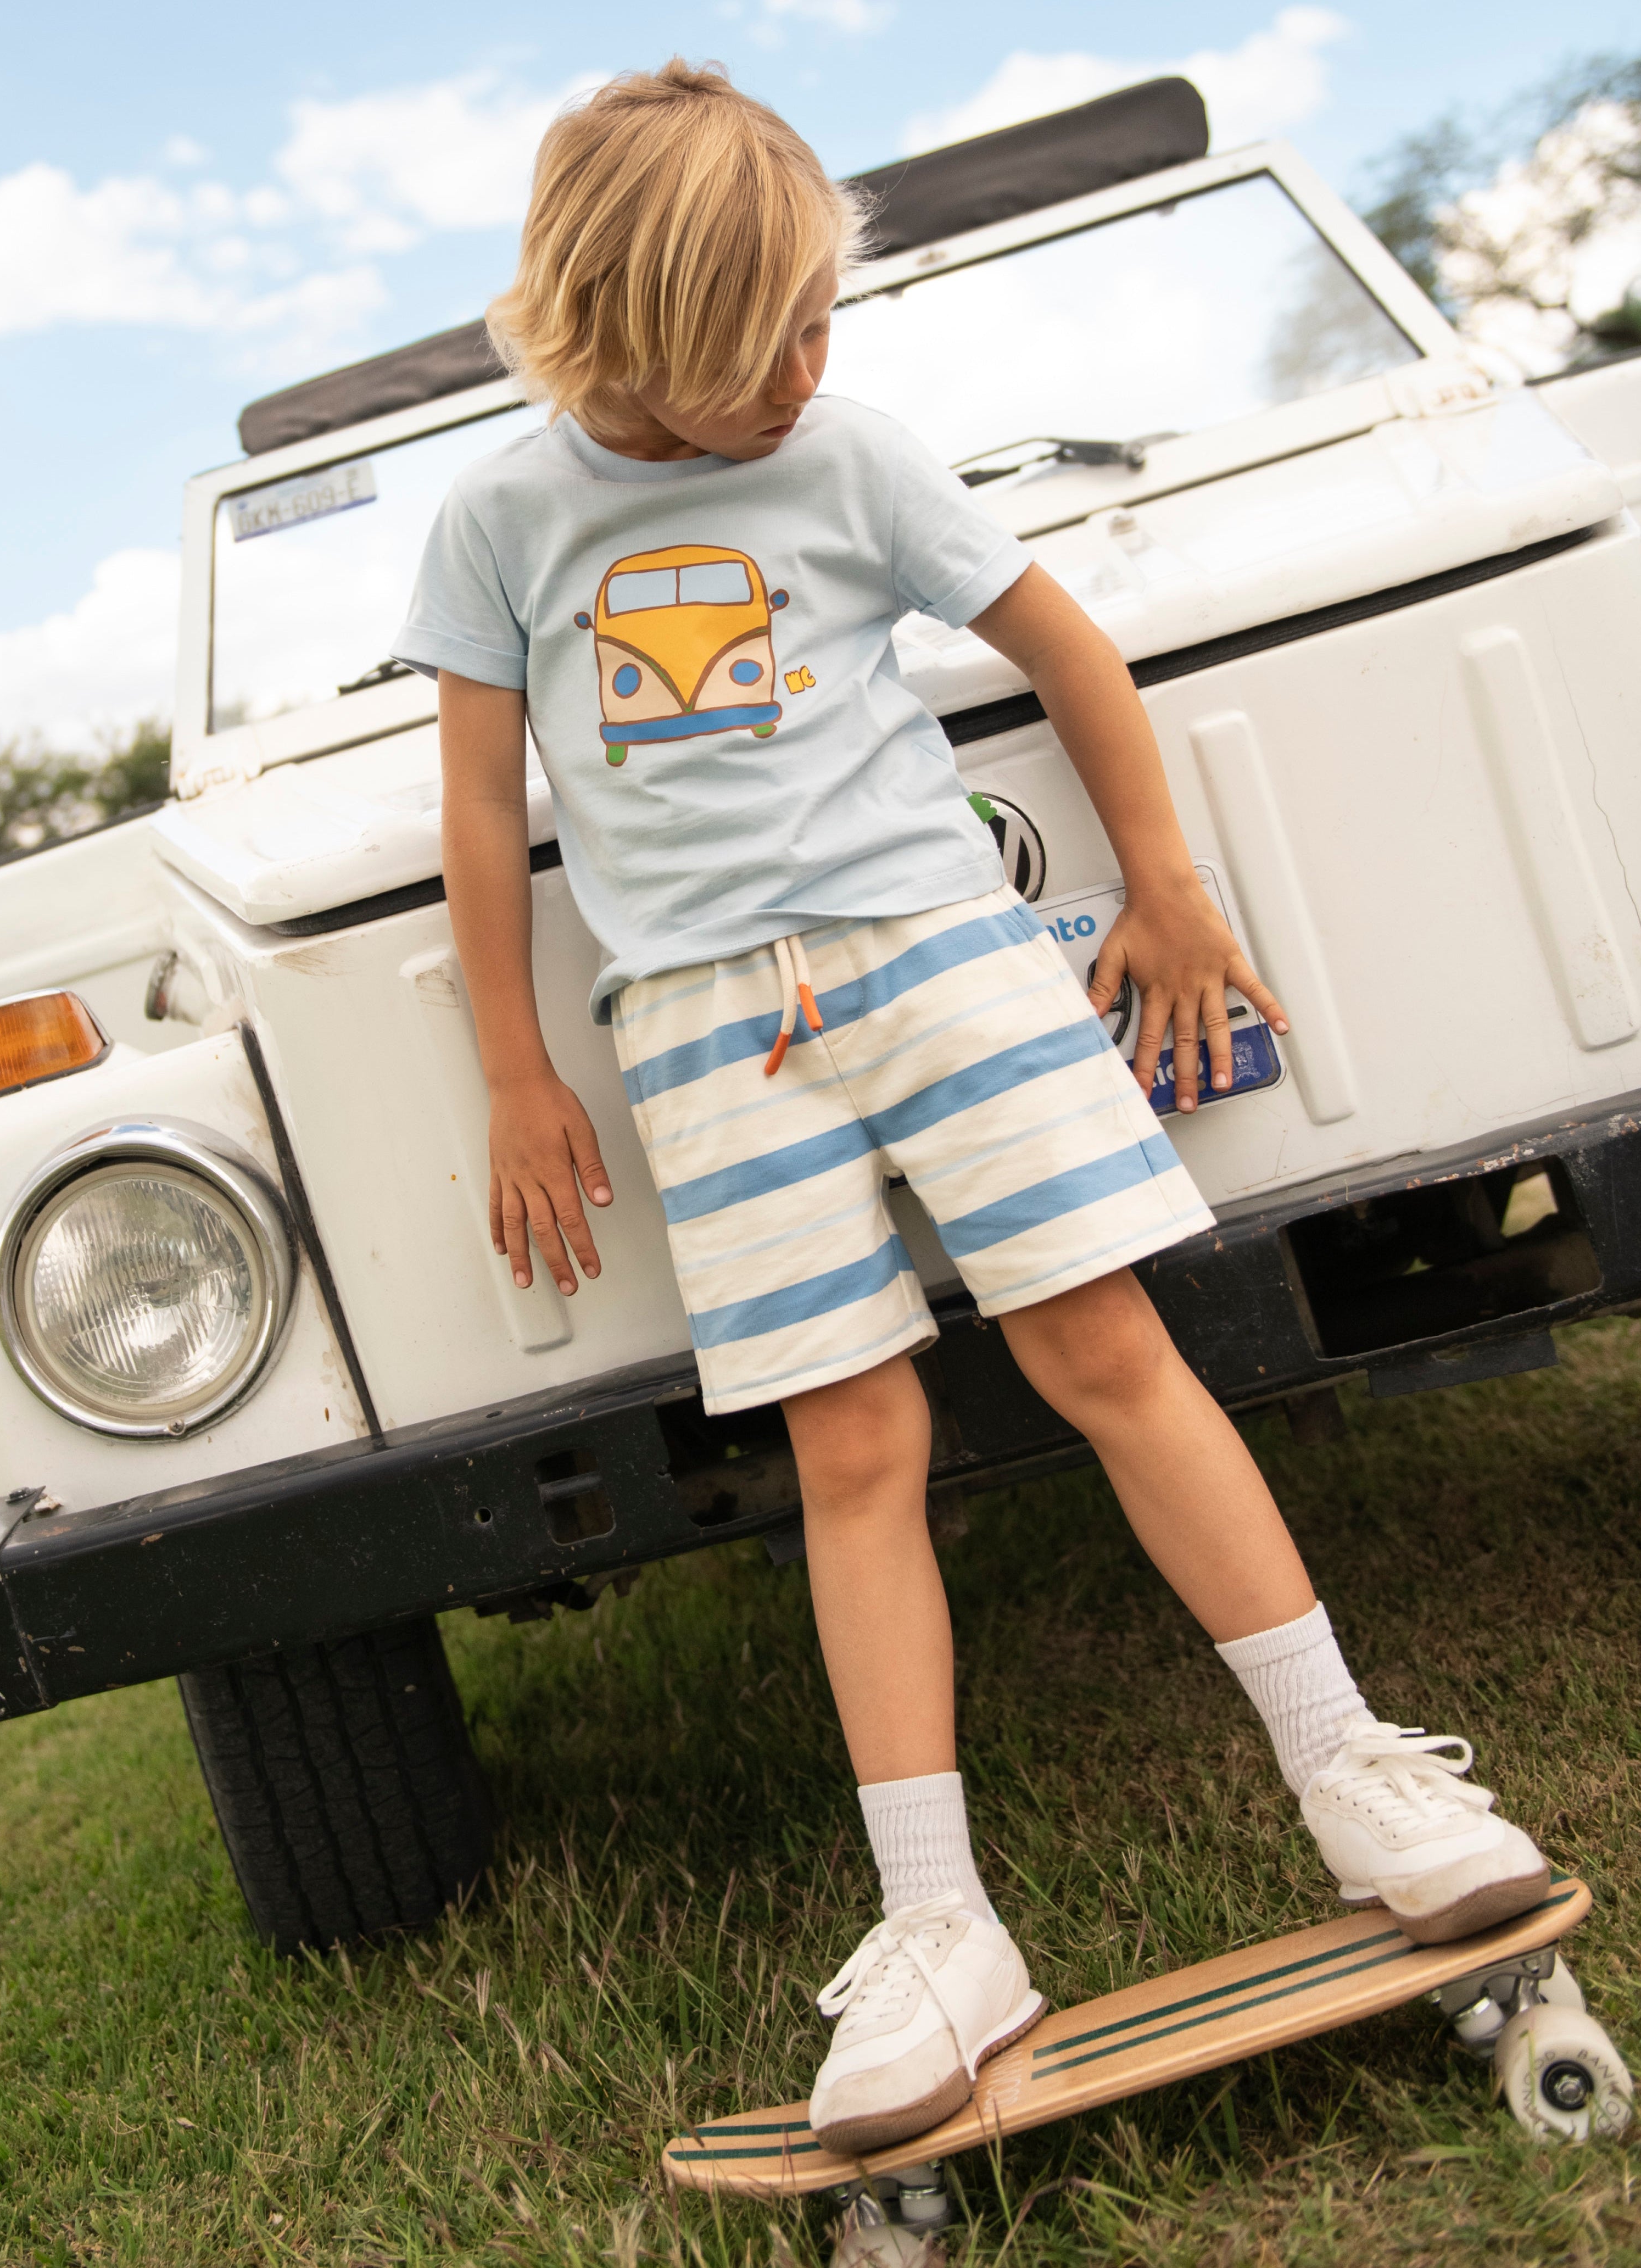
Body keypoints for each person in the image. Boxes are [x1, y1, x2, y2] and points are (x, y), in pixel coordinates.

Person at [390, 59, 1551, 2156]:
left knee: (1107, 1345)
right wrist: (513, 1065)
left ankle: (1352, 1761)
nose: (812, 368)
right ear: (627, 336)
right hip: (703, 1032)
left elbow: (1069, 649)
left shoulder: (850, 454)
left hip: (944, 957)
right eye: (769, 344)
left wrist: (1170, 887)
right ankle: (940, 1924)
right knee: (855, 1440)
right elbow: (483, 811)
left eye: (822, 325)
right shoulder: (501, 518)